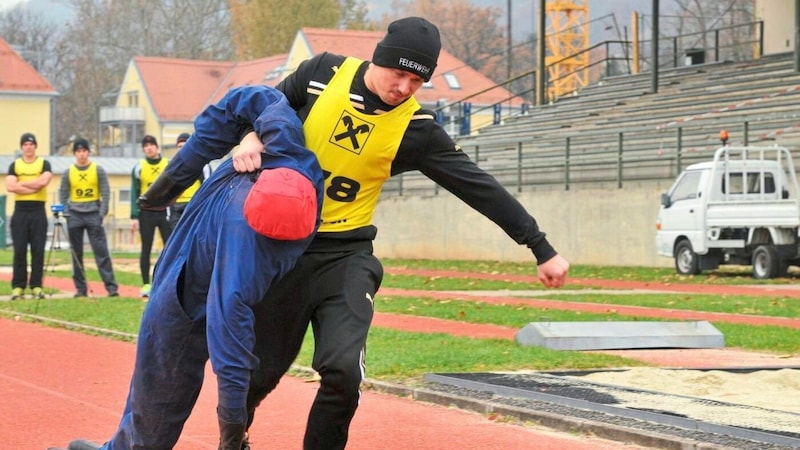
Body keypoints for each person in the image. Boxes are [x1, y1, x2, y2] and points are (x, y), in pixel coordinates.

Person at [233, 16, 571, 449]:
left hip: (346, 256)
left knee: (343, 373)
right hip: (281, 253)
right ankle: (233, 438)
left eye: (418, 80)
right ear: (379, 58)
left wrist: (540, 246)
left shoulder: (417, 129)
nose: (406, 88)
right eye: (399, 74)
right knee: (254, 375)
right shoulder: (320, 74)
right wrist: (248, 139)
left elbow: (479, 187)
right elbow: (259, 109)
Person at [57, 86, 324, 450]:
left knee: (176, 367)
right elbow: (242, 102)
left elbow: (230, 328)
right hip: (189, 267)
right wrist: (179, 173)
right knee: (156, 371)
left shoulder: (288, 147)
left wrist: (230, 429)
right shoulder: (246, 231)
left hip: (208, 263)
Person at [58, 137, 119, 298]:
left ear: (88, 152)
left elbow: (105, 192)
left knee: (101, 252)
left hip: (93, 213)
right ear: (75, 154)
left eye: (84, 151)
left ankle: (111, 288)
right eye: (78, 151)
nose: (81, 154)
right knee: (76, 254)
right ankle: (80, 289)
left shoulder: (97, 170)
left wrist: (101, 213)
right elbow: (63, 194)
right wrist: (67, 213)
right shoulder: (68, 172)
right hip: (75, 215)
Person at [5, 132, 52, 300]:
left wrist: (21, 183)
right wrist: (32, 185)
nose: (28, 147)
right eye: (25, 144)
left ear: (35, 146)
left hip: (38, 211)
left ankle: (36, 285)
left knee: (38, 251)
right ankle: (18, 286)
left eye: (31, 144)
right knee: (19, 250)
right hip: (20, 211)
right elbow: (10, 186)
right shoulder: (15, 165)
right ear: (21, 147)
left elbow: (43, 182)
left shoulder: (43, 164)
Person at [130, 134, 171, 297]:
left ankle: (167, 282)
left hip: (165, 211)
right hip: (146, 213)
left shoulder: (167, 164)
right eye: (145, 146)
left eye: (151, 145)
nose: (149, 148)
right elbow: (134, 192)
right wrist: (134, 216)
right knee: (145, 249)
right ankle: (146, 284)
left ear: (157, 147)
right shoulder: (138, 167)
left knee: (169, 248)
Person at [168, 132, 213, 229]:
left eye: (185, 146)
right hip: (176, 208)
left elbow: (207, 189)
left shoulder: (203, 165)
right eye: (179, 146)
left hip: (193, 207)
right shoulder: (172, 166)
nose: (182, 149)